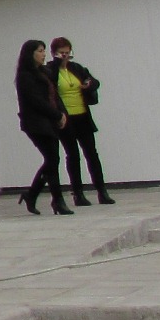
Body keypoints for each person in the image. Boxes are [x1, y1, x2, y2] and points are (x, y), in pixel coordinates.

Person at [47, 38, 116, 206]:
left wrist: (89, 84)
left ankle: (102, 191)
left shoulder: (76, 68)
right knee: (73, 155)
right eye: (61, 52)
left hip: (83, 116)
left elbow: (95, 82)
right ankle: (78, 193)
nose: (65, 55)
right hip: (66, 118)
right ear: (54, 53)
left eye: (67, 52)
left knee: (92, 154)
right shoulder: (50, 70)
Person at [14, 39, 71, 215]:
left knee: (52, 160)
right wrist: (56, 115)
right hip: (36, 123)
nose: (43, 53)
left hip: (50, 121)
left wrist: (62, 114)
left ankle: (32, 195)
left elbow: (54, 96)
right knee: (52, 159)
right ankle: (57, 201)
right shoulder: (25, 76)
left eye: (44, 50)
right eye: (40, 50)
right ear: (30, 53)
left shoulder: (44, 72)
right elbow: (36, 101)